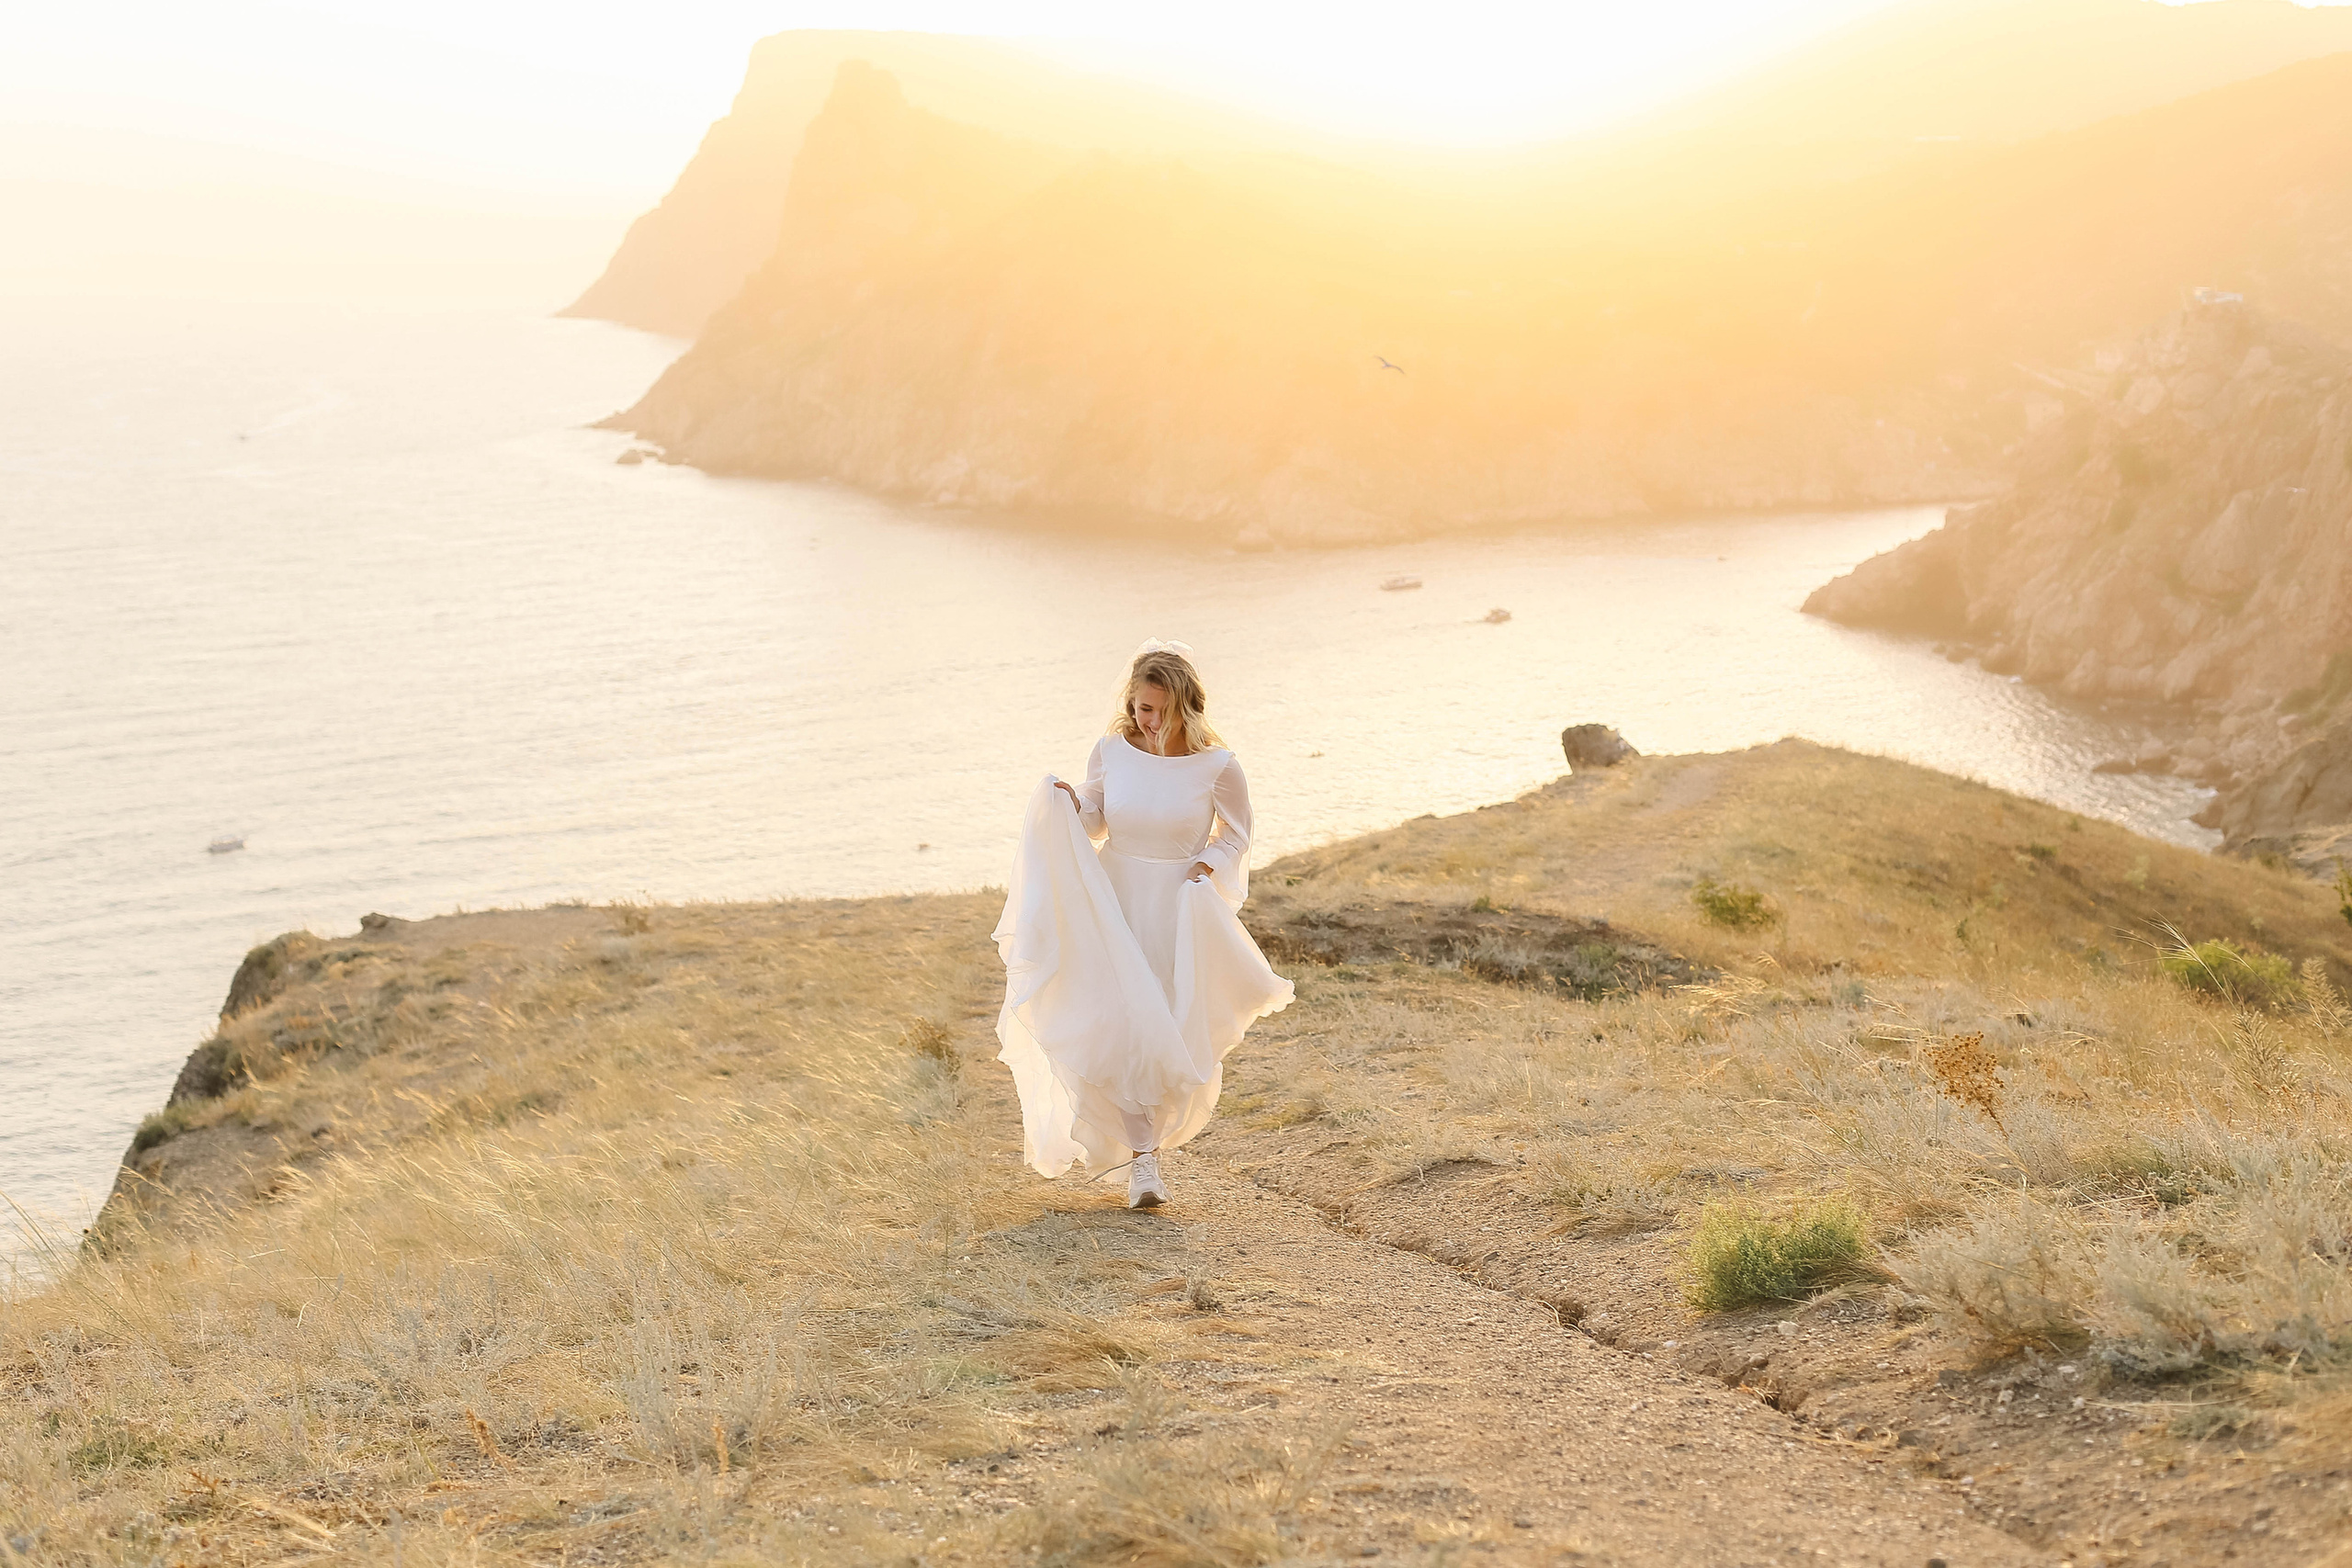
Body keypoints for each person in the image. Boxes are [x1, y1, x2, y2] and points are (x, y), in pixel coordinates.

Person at [992, 640, 1294, 1209]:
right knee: (1121, 1023)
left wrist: (1208, 866)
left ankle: (1147, 1151)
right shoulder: (1112, 750)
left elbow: (1237, 835)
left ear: (1182, 707)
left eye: (1154, 709)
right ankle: (1144, 1165)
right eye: (1137, 707)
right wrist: (1069, 807)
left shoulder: (1219, 767)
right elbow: (1099, 820)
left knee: (1166, 1030)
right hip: (1114, 901)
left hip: (1177, 906)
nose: (1143, 719)